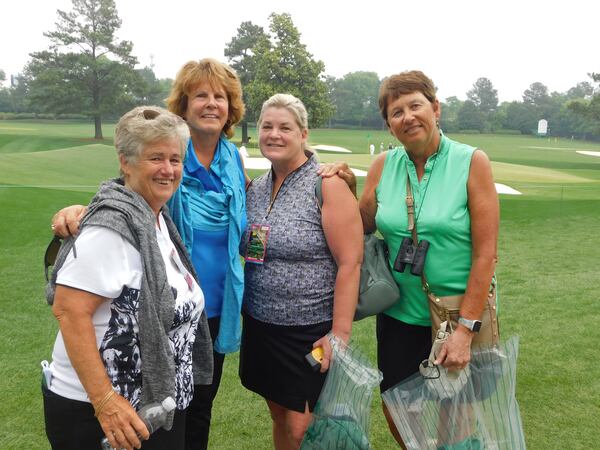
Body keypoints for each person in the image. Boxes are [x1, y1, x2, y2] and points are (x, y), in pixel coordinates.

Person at [43, 106, 213, 450]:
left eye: (175, 159)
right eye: (155, 158)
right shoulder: (111, 229)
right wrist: (105, 402)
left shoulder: (158, 220)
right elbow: (69, 311)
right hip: (101, 412)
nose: (168, 170)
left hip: (152, 403)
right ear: (125, 161)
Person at [359, 71, 499, 446]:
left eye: (415, 105)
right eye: (396, 111)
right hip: (400, 313)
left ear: (435, 109)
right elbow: (364, 224)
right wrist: (340, 185)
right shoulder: (383, 166)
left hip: (457, 314)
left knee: (455, 414)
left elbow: (486, 254)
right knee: (397, 408)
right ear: (389, 125)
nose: (408, 116)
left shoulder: (472, 162)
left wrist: (465, 332)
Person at [239, 93, 363, 450]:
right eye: (267, 126)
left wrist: (339, 334)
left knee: (302, 427)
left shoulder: (327, 183)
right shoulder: (256, 189)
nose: (274, 134)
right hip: (261, 325)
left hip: (308, 331)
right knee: (279, 415)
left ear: (303, 134)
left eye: (285, 128)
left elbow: (350, 263)